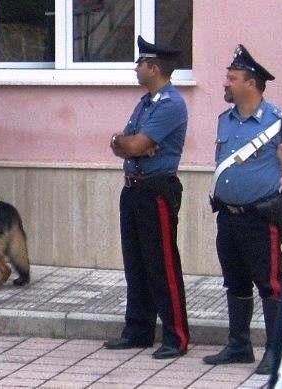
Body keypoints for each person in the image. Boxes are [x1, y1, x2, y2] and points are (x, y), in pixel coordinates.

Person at [103, 36, 189, 359]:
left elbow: (136, 145)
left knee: (162, 265)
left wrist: (132, 144)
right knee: (135, 263)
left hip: (156, 190)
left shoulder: (170, 104)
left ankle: (176, 336)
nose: (136, 68)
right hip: (133, 188)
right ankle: (138, 330)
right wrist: (124, 142)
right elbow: (124, 144)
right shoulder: (145, 103)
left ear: (154, 67)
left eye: (140, 63)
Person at [204, 45, 282, 375]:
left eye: (232, 78)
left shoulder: (278, 122)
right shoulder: (225, 120)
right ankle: (239, 345)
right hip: (228, 215)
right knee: (235, 282)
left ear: (250, 84)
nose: (225, 82)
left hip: (260, 218)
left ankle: (276, 352)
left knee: (270, 285)